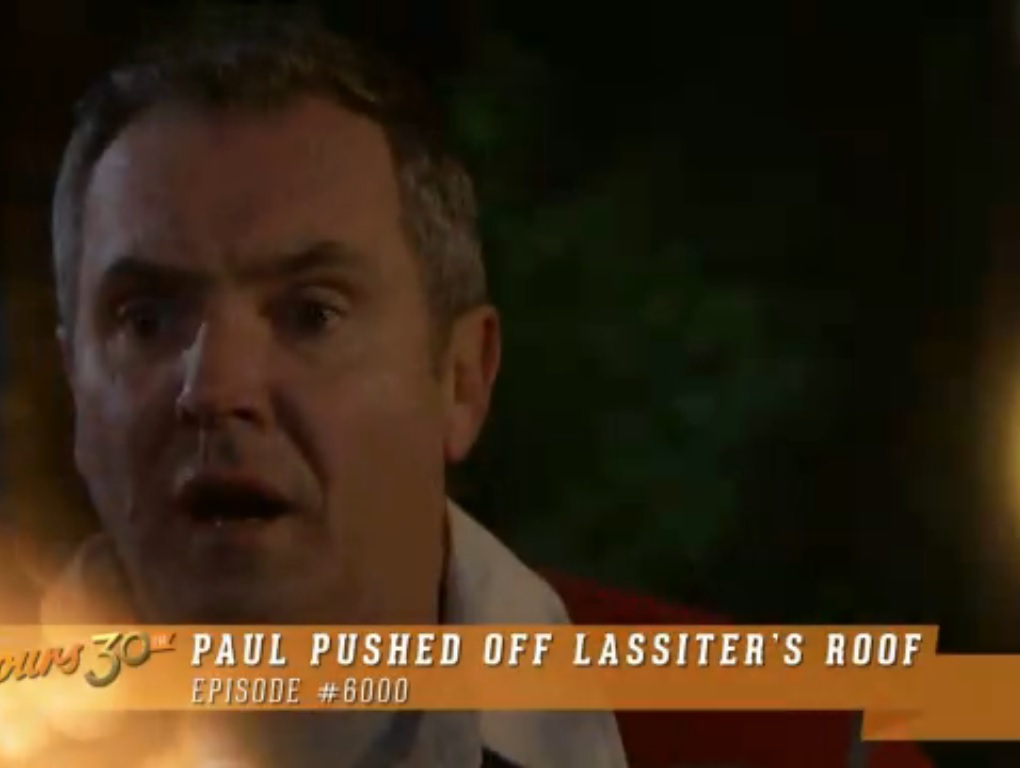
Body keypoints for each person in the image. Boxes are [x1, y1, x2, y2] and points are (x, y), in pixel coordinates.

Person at [47, 8, 933, 767]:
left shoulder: (801, 744)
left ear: (462, 379)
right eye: (146, 320)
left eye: (312, 314)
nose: (215, 388)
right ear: (73, 389)